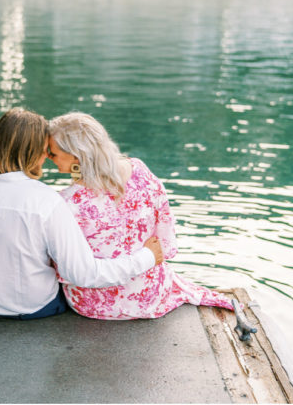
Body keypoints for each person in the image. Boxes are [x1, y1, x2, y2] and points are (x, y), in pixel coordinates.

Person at [0, 108, 164, 320]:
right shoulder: (47, 201)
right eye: (45, 150)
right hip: (34, 307)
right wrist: (146, 257)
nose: (47, 157)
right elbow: (83, 274)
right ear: (34, 153)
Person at [47, 112, 233, 320]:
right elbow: (164, 228)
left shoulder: (67, 203)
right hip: (151, 292)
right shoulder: (139, 169)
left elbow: (69, 270)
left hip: (96, 305)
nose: (47, 157)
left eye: (52, 153)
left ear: (76, 156)